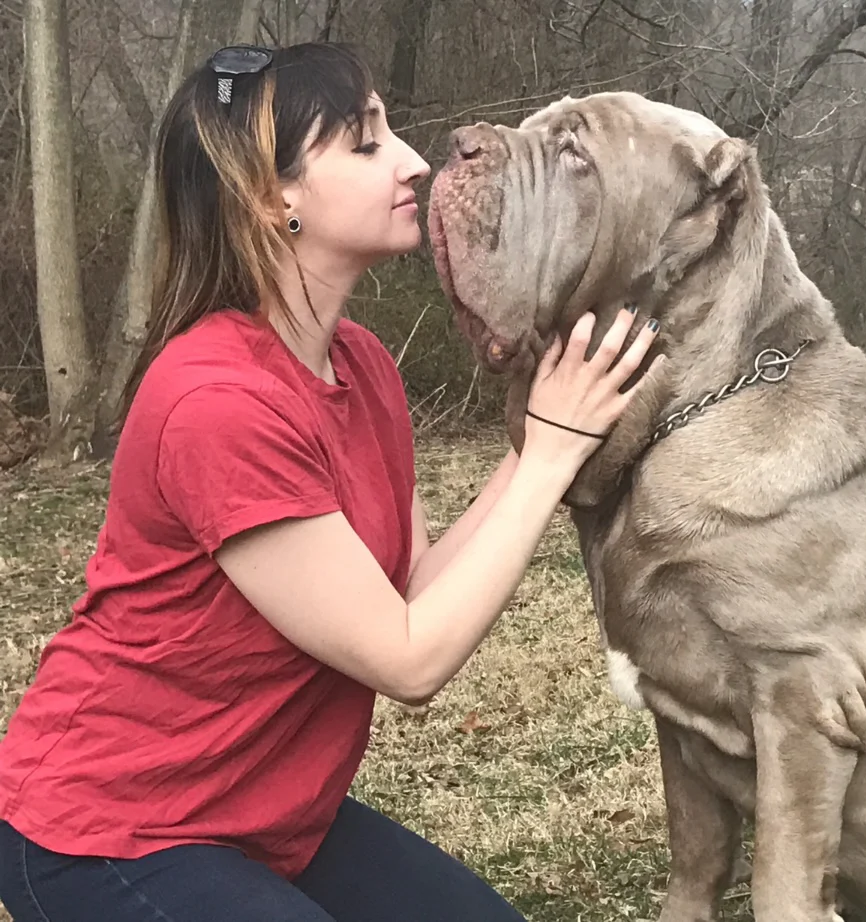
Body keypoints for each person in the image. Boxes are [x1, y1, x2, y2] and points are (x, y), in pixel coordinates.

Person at [0, 41, 658, 922]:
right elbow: (410, 658)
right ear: (274, 196)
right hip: (110, 830)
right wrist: (547, 456)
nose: (415, 162)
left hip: (268, 815)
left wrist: (544, 440)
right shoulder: (216, 403)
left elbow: (414, 592)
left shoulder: (363, 365)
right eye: (366, 142)